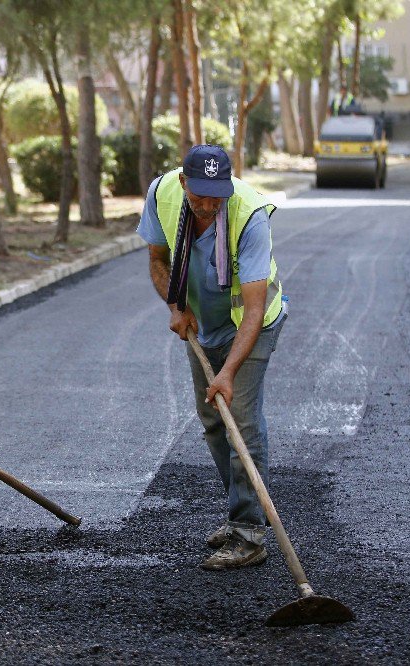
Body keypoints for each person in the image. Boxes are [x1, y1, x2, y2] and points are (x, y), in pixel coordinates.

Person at [138, 145, 286, 570]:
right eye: (198, 196)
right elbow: (157, 258)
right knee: (212, 421)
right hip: (203, 323)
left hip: (252, 326)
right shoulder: (162, 193)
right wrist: (176, 308)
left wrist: (228, 372)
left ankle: (249, 535)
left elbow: (255, 309)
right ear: (184, 183)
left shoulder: (251, 215)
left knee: (239, 417)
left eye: (215, 197)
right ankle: (241, 510)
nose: (207, 206)